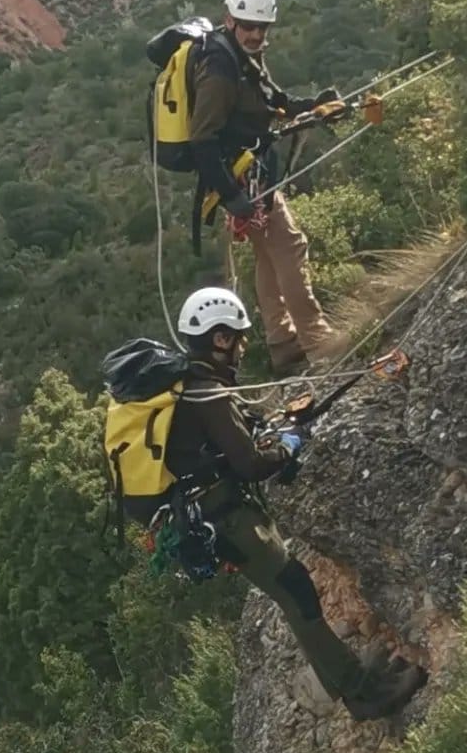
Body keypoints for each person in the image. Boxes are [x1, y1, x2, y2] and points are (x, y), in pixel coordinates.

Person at [165, 286, 428, 721]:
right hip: (228, 521)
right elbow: (250, 464)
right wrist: (287, 447)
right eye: (238, 337)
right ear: (220, 339)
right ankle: (361, 693)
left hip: (212, 515)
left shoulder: (189, 384)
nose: (243, 346)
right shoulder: (207, 393)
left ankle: (349, 675)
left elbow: (220, 447)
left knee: (294, 590)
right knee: (297, 592)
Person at [188, 0, 341, 375]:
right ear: (230, 19)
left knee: (269, 255)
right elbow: (201, 140)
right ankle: (318, 340)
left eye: (262, 27)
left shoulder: (241, 55)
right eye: (249, 26)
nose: (256, 34)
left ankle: (283, 343)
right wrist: (231, 195)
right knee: (289, 247)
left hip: (249, 175)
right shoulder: (220, 67)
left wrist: (313, 106)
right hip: (242, 178)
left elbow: (272, 100)